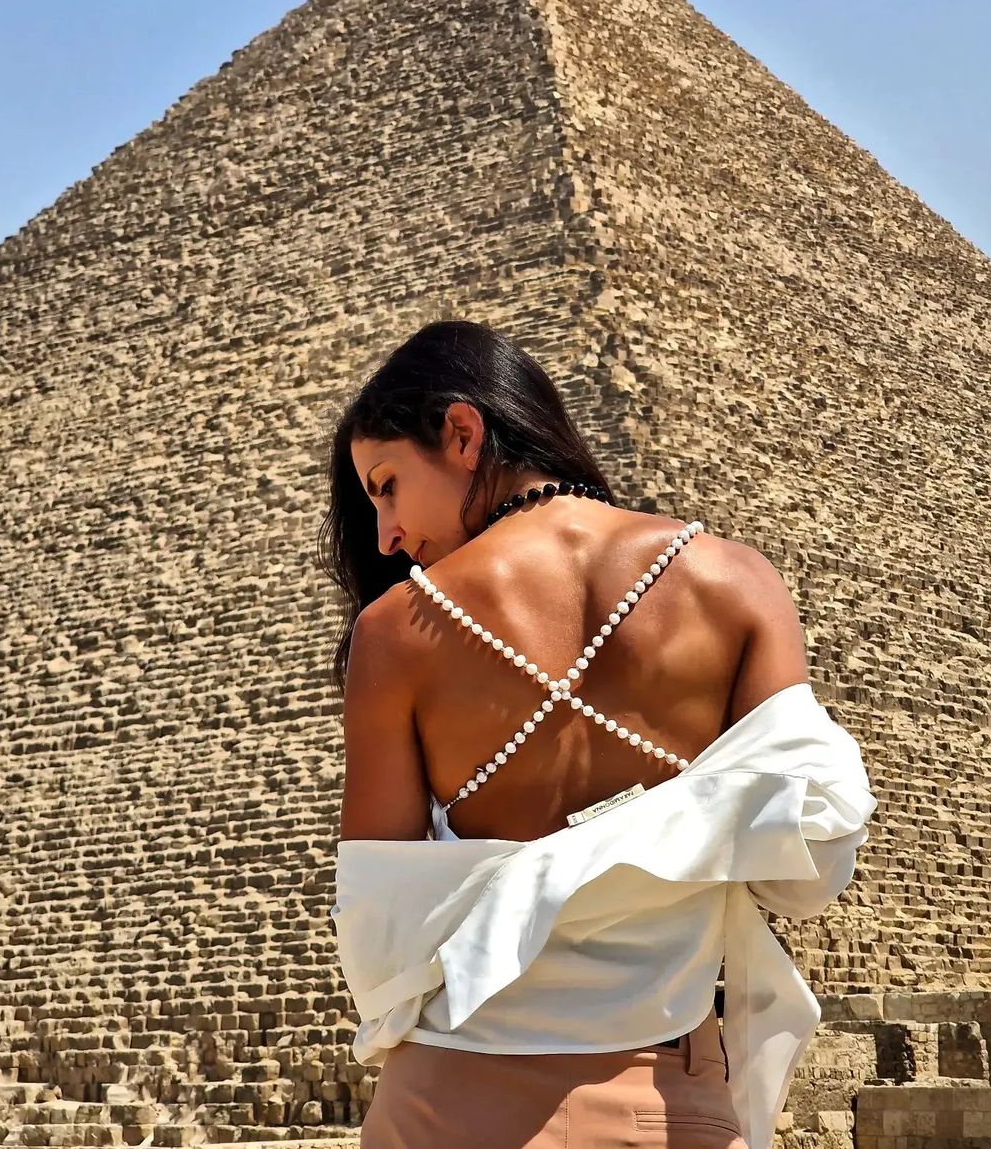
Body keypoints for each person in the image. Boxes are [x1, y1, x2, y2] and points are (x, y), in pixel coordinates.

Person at [319, 320, 877, 1149]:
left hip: (450, 1100)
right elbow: (813, 859)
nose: (384, 535)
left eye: (387, 485)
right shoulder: (739, 583)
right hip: (671, 1102)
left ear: (463, 434)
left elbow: (380, 934)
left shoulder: (398, 631)